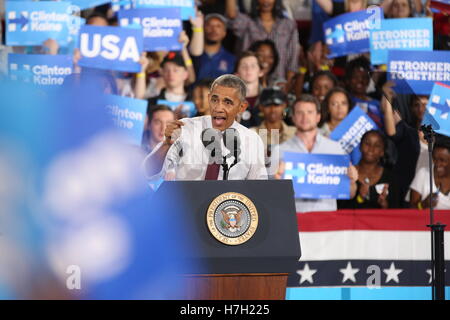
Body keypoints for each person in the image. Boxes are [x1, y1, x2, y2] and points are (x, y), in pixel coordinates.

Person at [143, 74, 267, 181]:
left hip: (227, 207)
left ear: (242, 107)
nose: (218, 107)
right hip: (186, 205)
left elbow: (257, 187)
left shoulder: (252, 140)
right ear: (209, 98)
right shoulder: (185, 128)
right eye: (214, 100)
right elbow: (148, 173)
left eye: (227, 102)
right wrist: (166, 145)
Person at [273, 94, 358, 212]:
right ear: (293, 117)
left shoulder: (335, 149)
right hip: (293, 218)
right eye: (300, 112)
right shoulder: (279, 151)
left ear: (318, 117)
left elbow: (350, 193)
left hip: (326, 221)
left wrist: (352, 181)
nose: (305, 117)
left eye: (310, 112)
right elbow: (271, 195)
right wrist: (276, 180)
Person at [225, 0, 300, 84]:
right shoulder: (248, 22)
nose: (266, 1)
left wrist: (288, 83)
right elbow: (231, 15)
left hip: (278, 80)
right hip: (249, 79)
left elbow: (293, 57)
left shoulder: (288, 24)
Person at [339, 130, 396, 209]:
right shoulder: (348, 174)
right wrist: (360, 198)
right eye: (367, 143)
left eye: (377, 145)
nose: (371, 149)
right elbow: (340, 209)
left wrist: (384, 205)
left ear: (382, 151)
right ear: (360, 146)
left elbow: (397, 211)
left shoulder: (390, 176)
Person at [250, 87, 296, 166]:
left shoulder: (295, 132)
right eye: (267, 105)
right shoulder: (252, 134)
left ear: (284, 106)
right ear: (261, 107)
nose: (272, 110)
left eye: (276, 105)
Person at [147, 52, 193, 119]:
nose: (170, 74)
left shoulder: (196, 102)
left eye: (175, 70)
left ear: (185, 74)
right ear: (162, 74)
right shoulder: (152, 103)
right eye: (166, 70)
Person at [191, 13, 236, 82]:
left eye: (218, 26)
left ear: (224, 33)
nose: (213, 29)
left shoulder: (232, 59)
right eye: (209, 25)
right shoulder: (192, 53)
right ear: (202, 28)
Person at [410, 135, 450, 210]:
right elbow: (411, 210)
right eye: (434, 159)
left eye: (442, 160)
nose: (437, 164)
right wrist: (423, 204)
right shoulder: (423, 174)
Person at [234, 51, 264, 128]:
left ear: (261, 72)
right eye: (244, 66)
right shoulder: (230, 100)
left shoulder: (269, 97)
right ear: (237, 74)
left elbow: (275, 129)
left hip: (264, 138)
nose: (248, 69)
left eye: (253, 66)